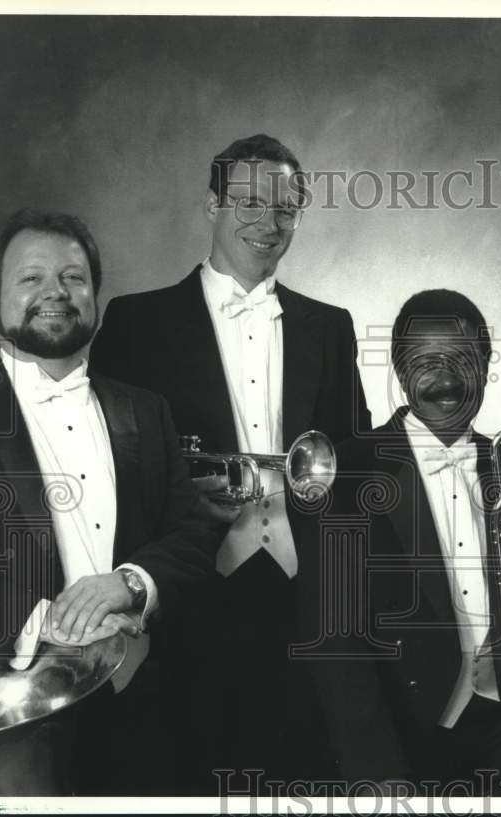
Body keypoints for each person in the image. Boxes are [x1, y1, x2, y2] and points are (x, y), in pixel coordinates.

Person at [89, 133, 371, 788]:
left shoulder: (328, 325)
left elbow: (347, 456)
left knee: (300, 778)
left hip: (304, 595)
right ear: (212, 204)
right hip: (188, 591)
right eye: (248, 200)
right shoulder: (137, 321)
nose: (267, 222)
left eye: (285, 207)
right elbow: (104, 465)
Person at [0, 209, 222, 795]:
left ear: (95, 298)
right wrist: (40, 633)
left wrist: (131, 582)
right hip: (3, 733)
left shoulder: (147, 411)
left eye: (74, 277)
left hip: (141, 706)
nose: (56, 291)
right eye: (31, 278)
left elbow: (194, 536)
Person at [296, 289, 501, 794]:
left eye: (464, 360)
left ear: (488, 363)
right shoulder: (347, 471)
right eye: (425, 363)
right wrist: (379, 772)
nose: (446, 380)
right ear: (400, 371)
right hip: (397, 743)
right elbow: (334, 642)